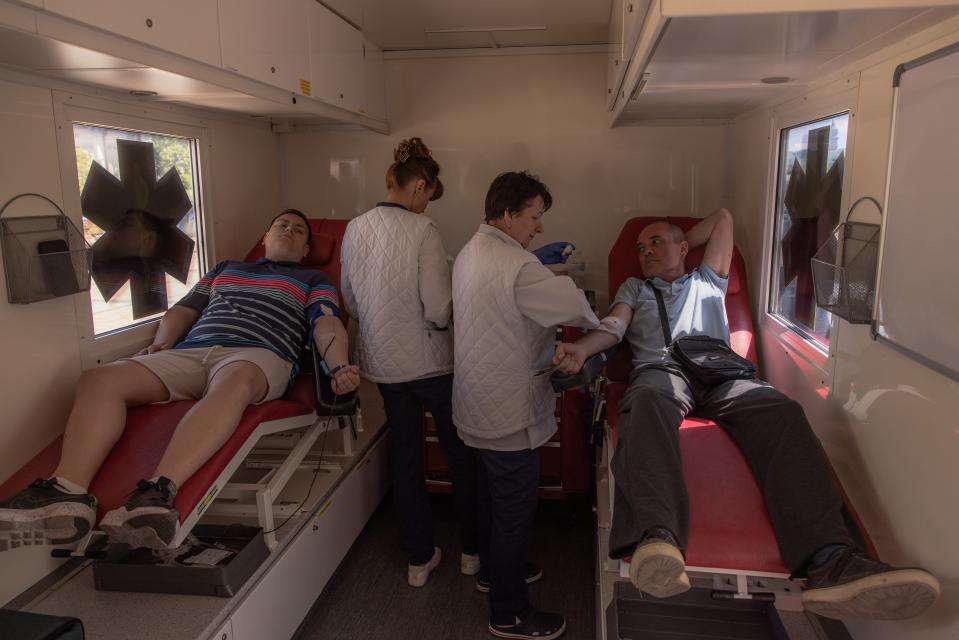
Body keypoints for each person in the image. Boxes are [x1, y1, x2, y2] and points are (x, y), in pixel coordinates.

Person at [552, 208, 941, 621]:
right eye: (640, 247)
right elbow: (613, 326)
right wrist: (580, 350)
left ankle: (832, 561)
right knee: (646, 402)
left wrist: (681, 240)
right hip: (661, 372)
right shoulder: (635, 287)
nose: (645, 250)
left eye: (656, 243)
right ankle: (657, 539)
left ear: (685, 247)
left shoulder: (707, 279)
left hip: (721, 373)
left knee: (781, 409)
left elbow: (722, 219)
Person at [0, 210, 360, 551]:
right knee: (98, 379)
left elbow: (326, 324)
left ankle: (158, 491)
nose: (289, 231)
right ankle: (67, 490)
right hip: (191, 351)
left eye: (299, 230)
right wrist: (161, 345)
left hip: (258, 355)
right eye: (282, 225)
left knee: (235, 381)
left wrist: (339, 367)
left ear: (308, 250)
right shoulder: (225, 269)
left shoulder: (313, 279)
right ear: (265, 237)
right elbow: (184, 311)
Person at [452, 171, 599, 640]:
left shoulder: (472, 251)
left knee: (491, 500)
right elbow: (576, 307)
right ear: (510, 214)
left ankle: (495, 573)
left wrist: (530, 261)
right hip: (507, 410)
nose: (538, 227)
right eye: (534, 217)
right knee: (513, 509)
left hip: (476, 400)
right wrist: (601, 312)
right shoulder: (520, 267)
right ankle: (509, 613)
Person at [340, 137, 479, 588]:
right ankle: (473, 552)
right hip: (431, 365)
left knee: (405, 456)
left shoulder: (355, 227)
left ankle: (419, 558)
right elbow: (438, 307)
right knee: (460, 452)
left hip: (383, 364)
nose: (427, 206)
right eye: (429, 197)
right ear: (420, 186)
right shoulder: (423, 231)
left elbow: (350, 300)